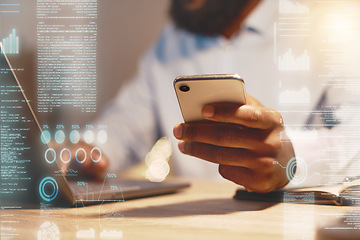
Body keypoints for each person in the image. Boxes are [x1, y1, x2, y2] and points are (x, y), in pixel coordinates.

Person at [62, 0, 360, 193]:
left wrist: (292, 157)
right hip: (192, 224)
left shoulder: (332, 24)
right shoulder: (172, 40)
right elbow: (127, 120)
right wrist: (91, 150)